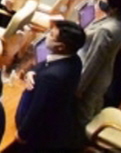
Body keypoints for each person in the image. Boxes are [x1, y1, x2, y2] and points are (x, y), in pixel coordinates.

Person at [15, 20, 86, 150]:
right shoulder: (75, 60)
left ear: (61, 46)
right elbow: (47, 63)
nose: (47, 36)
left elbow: (37, 110)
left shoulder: (51, 78)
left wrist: (22, 134)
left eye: (51, 35)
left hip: (40, 135)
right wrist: (33, 71)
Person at [77, 0, 121, 125]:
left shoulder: (106, 30)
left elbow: (93, 61)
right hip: (103, 75)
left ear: (114, 7)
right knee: (92, 110)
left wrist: (79, 87)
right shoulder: (119, 20)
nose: (102, 0)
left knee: (83, 117)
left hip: (92, 80)